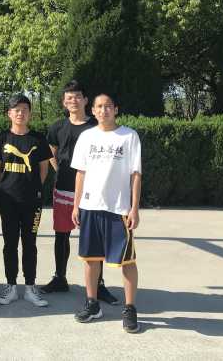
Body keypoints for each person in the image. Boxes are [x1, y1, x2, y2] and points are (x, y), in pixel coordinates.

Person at [42, 81, 118, 305]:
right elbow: (51, 152)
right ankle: (60, 278)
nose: (73, 101)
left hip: (92, 194)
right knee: (61, 235)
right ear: (64, 102)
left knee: (95, 240)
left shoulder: (96, 126)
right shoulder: (57, 127)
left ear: (86, 100)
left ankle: (99, 285)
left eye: (77, 96)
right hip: (63, 189)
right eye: (68, 97)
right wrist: (59, 169)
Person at [71, 92, 142, 333]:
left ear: (116, 109)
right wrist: (76, 205)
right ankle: (92, 304)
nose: (104, 110)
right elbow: (80, 173)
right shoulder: (86, 137)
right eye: (99, 106)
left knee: (127, 261)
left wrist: (134, 208)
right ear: (93, 110)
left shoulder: (129, 136)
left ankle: (130, 309)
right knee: (91, 259)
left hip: (119, 209)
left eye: (108, 106)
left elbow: (135, 174)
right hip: (90, 207)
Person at [0, 94, 51, 307]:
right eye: (16, 110)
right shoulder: (0, 139)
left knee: (30, 243)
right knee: (10, 243)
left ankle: (30, 287)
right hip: (8, 200)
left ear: (30, 113)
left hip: (32, 202)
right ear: (9, 113)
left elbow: (44, 170)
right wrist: (5, 186)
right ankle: (11, 287)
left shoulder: (38, 139)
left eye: (25, 109)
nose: (20, 113)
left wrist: (33, 188)